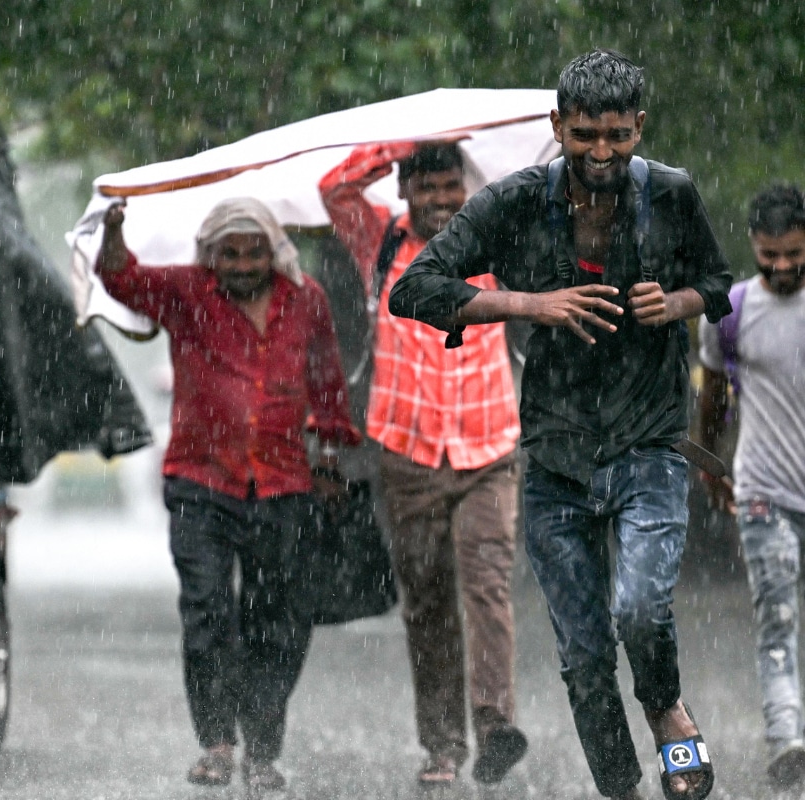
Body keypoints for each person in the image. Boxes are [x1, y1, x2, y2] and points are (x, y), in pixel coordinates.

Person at [389, 49, 732, 800]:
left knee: (640, 609)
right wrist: (529, 304)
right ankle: (621, 788)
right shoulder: (514, 203)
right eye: (584, 135)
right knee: (583, 655)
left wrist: (675, 303)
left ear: (639, 126)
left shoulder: (672, 194)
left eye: (617, 135)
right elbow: (413, 289)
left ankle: (667, 710)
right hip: (555, 456)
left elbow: (717, 284)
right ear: (557, 126)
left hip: (649, 442)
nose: (600, 152)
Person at [95, 197, 361, 793]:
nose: (243, 264)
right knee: (207, 611)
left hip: (284, 484)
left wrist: (329, 459)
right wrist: (113, 229)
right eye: (230, 253)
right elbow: (120, 279)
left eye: (253, 252)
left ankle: (262, 751)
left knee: (279, 622)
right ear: (210, 256)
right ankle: (217, 743)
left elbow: (326, 383)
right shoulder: (187, 292)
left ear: (275, 251)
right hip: (201, 483)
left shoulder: (307, 299)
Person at [318, 142, 526, 788]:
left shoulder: (495, 236)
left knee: (487, 586)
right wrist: (401, 143)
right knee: (427, 599)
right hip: (407, 453)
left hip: (488, 448)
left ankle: (495, 724)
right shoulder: (379, 240)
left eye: (450, 186)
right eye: (426, 186)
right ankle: (442, 746)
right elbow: (335, 189)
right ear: (404, 191)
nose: (440, 199)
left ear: (466, 187)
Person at [697, 184, 805, 789]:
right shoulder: (731, 311)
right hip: (764, 490)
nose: (782, 266)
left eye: (794, 254)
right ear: (754, 246)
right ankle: (787, 738)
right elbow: (712, 397)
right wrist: (710, 464)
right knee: (777, 617)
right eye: (770, 255)